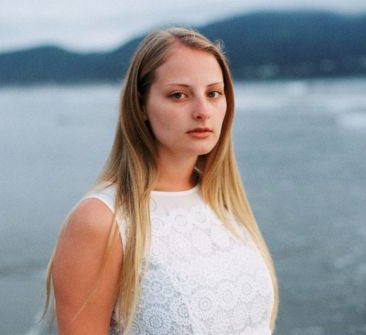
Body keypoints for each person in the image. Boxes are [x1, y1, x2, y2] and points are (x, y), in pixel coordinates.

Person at [44, 27, 279, 334]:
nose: (203, 111)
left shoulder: (224, 202)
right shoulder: (103, 221)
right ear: (141, 105)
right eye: (179, 95)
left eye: (213, 93)